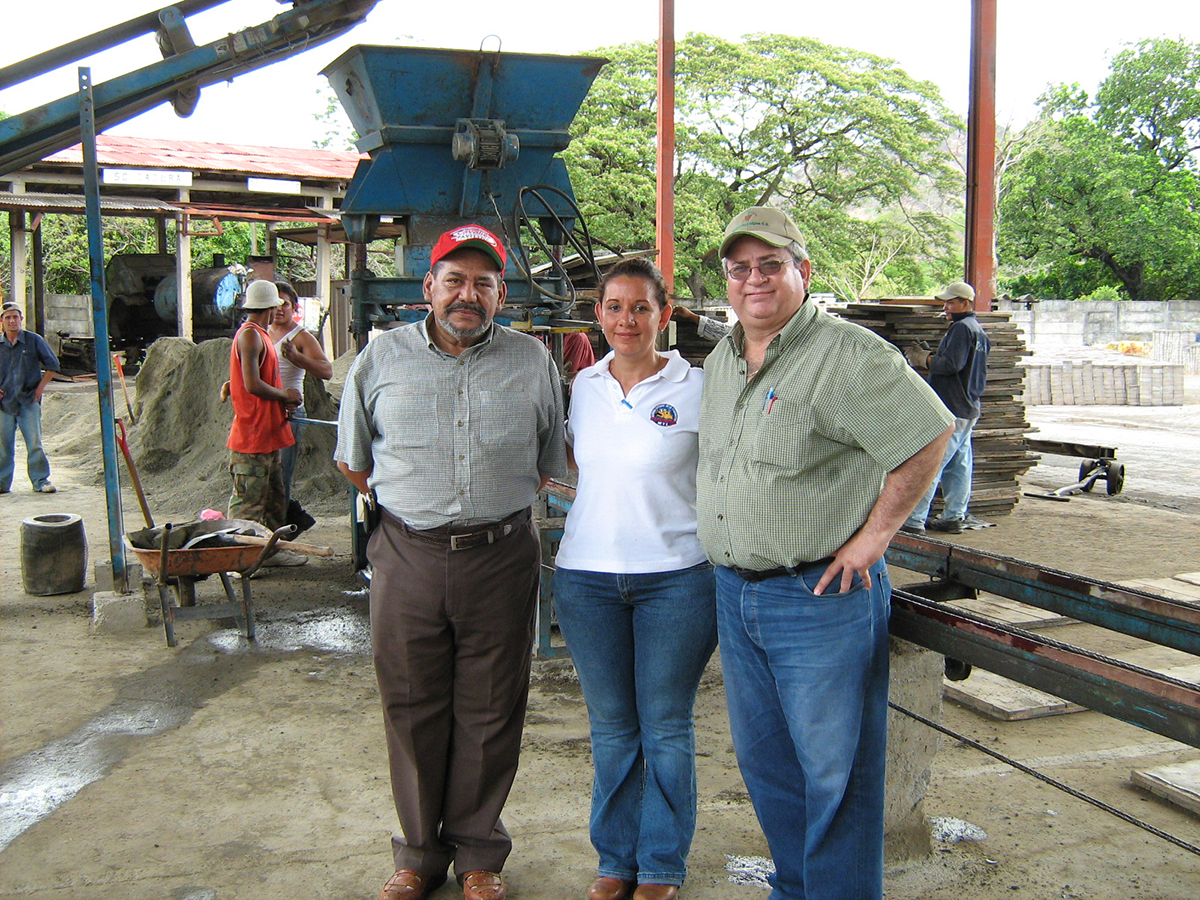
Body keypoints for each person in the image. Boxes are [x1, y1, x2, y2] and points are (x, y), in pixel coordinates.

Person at [697, 206, 954, 900]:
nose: (755, 279)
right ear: (727, 281)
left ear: (803, 273)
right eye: (741, 268)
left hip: (817, 599)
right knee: (767, 763)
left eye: (771, 265)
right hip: (736, 591)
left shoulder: (847, 354)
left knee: (835, 775)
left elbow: (930, 435)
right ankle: (796, 889)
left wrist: (875, 538)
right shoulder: (723, 358)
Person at [334, 223, 566, 900]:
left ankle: (478, 856)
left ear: (503, 295)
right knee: (410, 704)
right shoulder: (378, 361)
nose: (469, 295)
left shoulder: (533, 362)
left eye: (484, 284)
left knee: (492, 707)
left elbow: (549, 462)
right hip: (407, 552)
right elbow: (355, 461)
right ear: (427, 287)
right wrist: (417, 508)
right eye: (455, 280)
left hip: (500, 557)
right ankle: (417, 857)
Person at [551, 258, 715, 900]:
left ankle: (662, 866)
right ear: (598, 314)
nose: (627, 319)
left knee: (666, 724)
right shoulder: (582, 386)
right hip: (587, 579)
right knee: (613, 725)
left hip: (676, 578)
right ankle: (615, 861)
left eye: (641, 307)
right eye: (614, 307)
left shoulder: (697, 386)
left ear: (664, 315)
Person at [226, 280, 306, 565]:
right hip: (252, 436)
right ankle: (238, 560)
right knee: (249, 504)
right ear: (270, 308)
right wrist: (285, 393)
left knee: (274, 501)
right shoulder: (250, 336)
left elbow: (246, 378)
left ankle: (269, 552)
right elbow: (252, 384)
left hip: (269, 432)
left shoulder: (260, 335)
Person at [902, 281, 991, 535]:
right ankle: (953, 516)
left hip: (950, 407)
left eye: (951, 302)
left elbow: (951, 365)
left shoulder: (961, 329)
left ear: (965, 303)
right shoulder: (978, 332)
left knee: (932, 462)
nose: (946, 307)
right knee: (960, 465)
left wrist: (925, 359)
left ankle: (915, 520)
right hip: (968, 406)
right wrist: (933, 355)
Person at [269, 281, 333, 533]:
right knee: (265, 477)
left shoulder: (300, 337)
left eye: (284, 303)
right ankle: (283, 525)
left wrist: (297, 358)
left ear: (294, 307)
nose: (279, 308)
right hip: (263, 414)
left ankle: (281, 533)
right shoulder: (260, 332)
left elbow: (326, 371)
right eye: (274, 303)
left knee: (281, 478)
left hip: (289, 415)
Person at [0, 301, 60, 494]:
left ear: (21, 319)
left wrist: (40, 388)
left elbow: (52, 365)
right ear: (1, 321)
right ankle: (2, 483)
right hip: (4, 403)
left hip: (29, 401)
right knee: (3, 445)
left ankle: (40, 481)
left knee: (34, 444)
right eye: (7, 317)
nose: (12, 321)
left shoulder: (33, 340)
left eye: (15, 317)